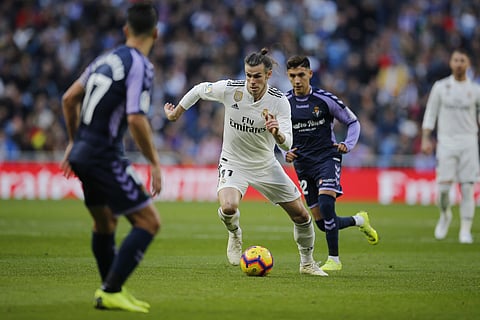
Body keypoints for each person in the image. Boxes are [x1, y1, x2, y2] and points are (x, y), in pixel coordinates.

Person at [164, 48, 327, 276]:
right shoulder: (231, 90)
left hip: (265, 165)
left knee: (301, 216)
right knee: (228, 207)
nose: (251, 81)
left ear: (268, 75)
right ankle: (235, 233)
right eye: (248, 75)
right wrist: (177, 113)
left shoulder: (280, 101)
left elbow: (288, 144)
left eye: (257, 76)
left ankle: (307, 263)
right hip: (234, 162)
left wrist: (277, 133)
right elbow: (200, 89)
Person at [61, 2, 161, 313]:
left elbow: (69, 98)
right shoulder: (140, 65)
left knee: (105, 222)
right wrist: (155, 163)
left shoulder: (105, 59)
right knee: (148, 222)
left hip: (82, 152)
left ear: (125, 30)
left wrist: (74, 141)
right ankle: (112, 288)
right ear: (156, 33)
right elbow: (135, 118)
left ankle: (110, 291)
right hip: (104, 154)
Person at [284, 55, 379, 272]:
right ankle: (359, 220)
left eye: (300, 75)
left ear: (310, 74)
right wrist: (285, 152)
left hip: (327, 157)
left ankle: (334, 259)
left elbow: (353, 121)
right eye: (292, 76)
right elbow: (279, 132)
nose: (297, 80)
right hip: (303, 164)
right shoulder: (285, 103)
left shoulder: (325, 99)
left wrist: (348, 144)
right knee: (321, 222)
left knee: (327, 205)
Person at [421, 48, 480, 244]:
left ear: (468, 64)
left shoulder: (476, 90)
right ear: (451, 63)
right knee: (444, 189)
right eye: (456, 60)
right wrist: (426, 138)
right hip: (446, 142)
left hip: (469, 141)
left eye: (462, 60)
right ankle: (445, 214)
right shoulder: (441, 86)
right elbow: (431, 113)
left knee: (467, 187)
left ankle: (465, 229)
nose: (459, 63)